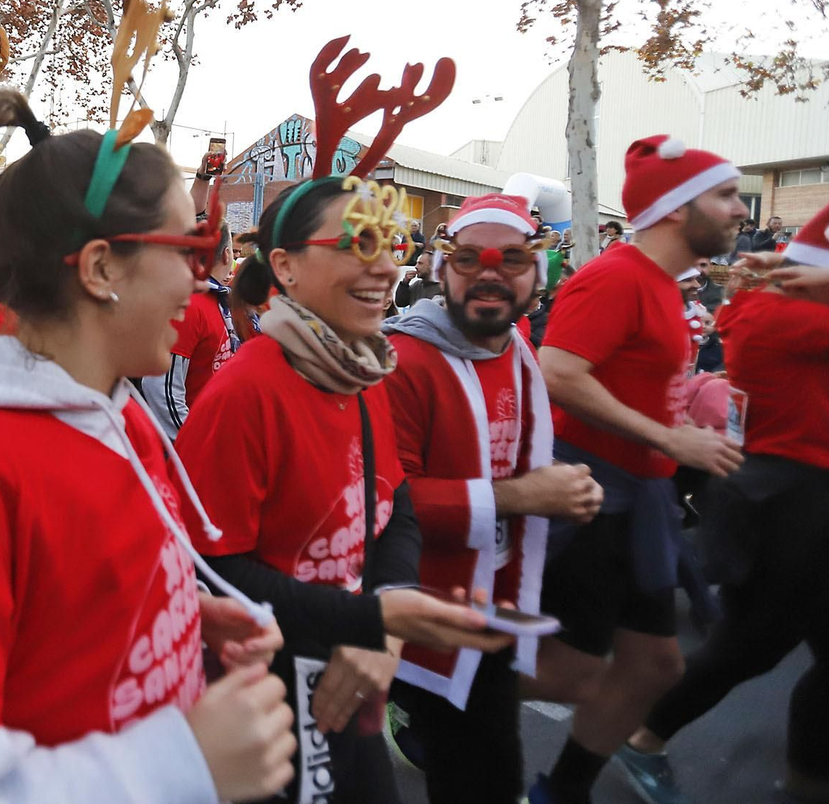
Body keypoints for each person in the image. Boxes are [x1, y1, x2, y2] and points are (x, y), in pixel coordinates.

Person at [0, 78, 297, 804]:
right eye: (191, 247)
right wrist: (181, 766)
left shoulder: (116, 408)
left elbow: (58, 602)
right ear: (102, 266)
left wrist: (173, 610)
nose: (203, 281)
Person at [176, 173, 513, 802]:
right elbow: (210, 569)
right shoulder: (245, 393)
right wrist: (371, 620)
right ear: (285, 266)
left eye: (391, 243)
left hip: (350, 670)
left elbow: (396, 506)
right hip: (267, 693)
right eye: (359, 243)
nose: (385, 266)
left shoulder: (364, 368)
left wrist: (381, 625)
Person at [529, 135, 747, 804]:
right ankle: (416, 678)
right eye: (727, 195)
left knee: (654, 665)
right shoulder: (616, 275)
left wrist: (686, 425)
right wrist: (666, 438)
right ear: (678, 209)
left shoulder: (663, 283)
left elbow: (648, 383)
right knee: (567, 672)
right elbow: (558, 372)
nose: (740, 210)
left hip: (641, 499)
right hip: (591, 496)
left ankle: (561, 791)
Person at [382, 195, 603, 804]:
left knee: (491, 764)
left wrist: (558, 485)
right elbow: (388, 507)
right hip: (431, 610)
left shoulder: (516, 351)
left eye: (511, 258)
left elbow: (505, 459)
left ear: (538, 273)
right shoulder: (406, 360)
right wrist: (526, 494)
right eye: (470, 258)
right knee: (477, 773)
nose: (489, 272)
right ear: (441, 268)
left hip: (497, 597)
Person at [621, 203, 829, 804]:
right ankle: (640, 736)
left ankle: (811, 777)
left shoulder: (791, 305)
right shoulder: (786, 314)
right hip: (785, 505)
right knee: (749, 648)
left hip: (813, 500)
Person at [144, 219, 240, 439]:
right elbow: (162, 391)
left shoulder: (214, 300)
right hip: (192, 446)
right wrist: (196, 442)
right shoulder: (189, 304)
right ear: (227, 254)